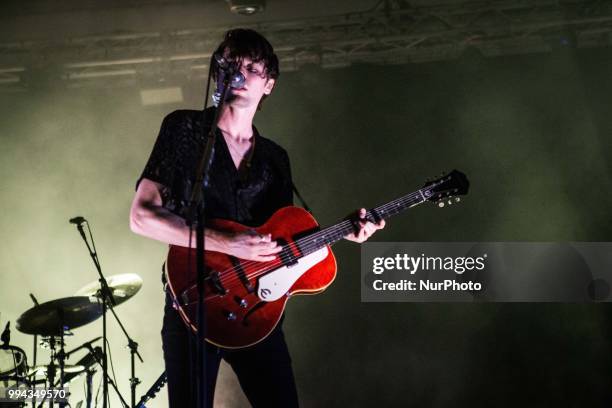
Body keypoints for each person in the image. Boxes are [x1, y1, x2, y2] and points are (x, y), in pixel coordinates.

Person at [130, 28, 385, 408]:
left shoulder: (274, 159)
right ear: (217, 70)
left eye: (251, 67)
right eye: (230, 63)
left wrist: (345, 230)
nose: (239, 73)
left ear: (268, 85)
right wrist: (226, 242)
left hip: (256, 313)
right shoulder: (184, 129)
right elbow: (141, 218)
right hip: (194, 302)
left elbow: (283, 243)